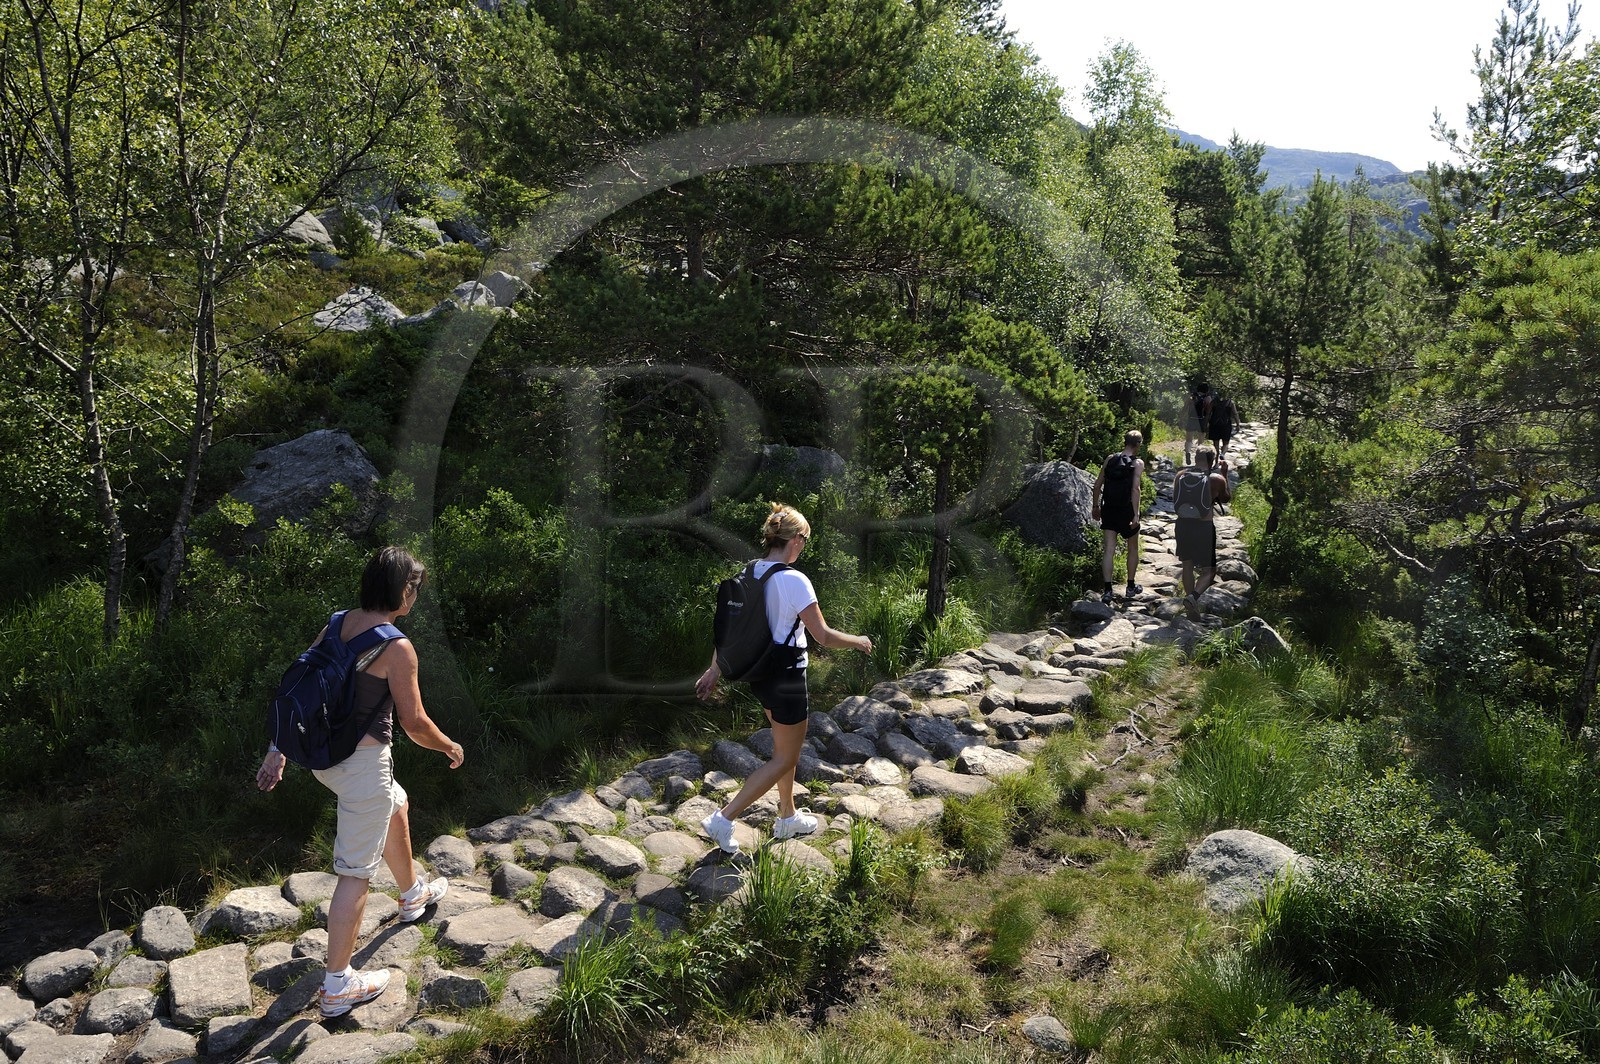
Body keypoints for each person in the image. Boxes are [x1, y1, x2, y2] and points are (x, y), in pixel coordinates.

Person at [256, 547, 464, 1019]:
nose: (416, 595)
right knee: (355, 873)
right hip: (363, 767)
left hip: (324, 759)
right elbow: (414, 724)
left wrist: (278, 748)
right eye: (415, 587)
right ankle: (337, 987)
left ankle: (412, 896)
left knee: (398, 804)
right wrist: (450, 746)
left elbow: (300, 691)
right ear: (402, 590)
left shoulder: (337, 622)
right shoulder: (396, 647)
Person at [695, 504, 873, 855]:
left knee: (784, 751)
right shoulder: (794, 579)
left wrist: (715, 669)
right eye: (805, 540)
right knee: (784, 758)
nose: (804, 547)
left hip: (761, 676)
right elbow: (822, 635)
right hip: (788, 677)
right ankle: (724, 818)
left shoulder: (750, 572)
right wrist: (858, 640)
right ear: (795, 540)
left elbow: (729, 632)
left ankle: (788, 815)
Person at [1090, 430, 1146, 605]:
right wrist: (1136, 514)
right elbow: (1135, 489)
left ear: (1125, 442)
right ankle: (1130, 586)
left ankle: (1108, 590)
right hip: (1127, 511)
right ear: (1138, 444)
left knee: (1109, 550)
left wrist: (1096, 507)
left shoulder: (1110, 459)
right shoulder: (1137, 463)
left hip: (1109, 509)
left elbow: (1097, 485)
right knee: (1133, 549)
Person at [1174, 447, 1230, 620]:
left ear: (1195, 458)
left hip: (1183, 524)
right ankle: (1193, 597)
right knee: (1210, 570)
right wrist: (1225, 473)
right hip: (1203, 527)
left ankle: (1191, 606)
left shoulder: (1181, 475)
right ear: (1212, 461)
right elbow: (1226, 498)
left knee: (1187, 565)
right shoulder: (1216, 479)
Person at [1183, 383, 1212, 467]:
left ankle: (1188, 452)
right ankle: (1198, 456)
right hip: (1201, 420)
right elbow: (1209, 411)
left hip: (1191, 419)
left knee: (1189, 439)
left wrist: (1181, 417)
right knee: (1200, 441)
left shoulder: (1192, 397)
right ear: (1206, 390)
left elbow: (1185, 408)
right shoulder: (1207, 398)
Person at [1207, 393, 1240, 459]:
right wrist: (1238, 424)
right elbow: (1235, 414)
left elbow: (1208, 413)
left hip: (1214, 425)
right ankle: (1222, 453)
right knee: (1226, 443)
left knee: (1216, 444)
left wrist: (1206, 423)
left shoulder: (1213, 402)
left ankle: (1216, 462)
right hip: (1226, 425)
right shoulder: (1230, 402)